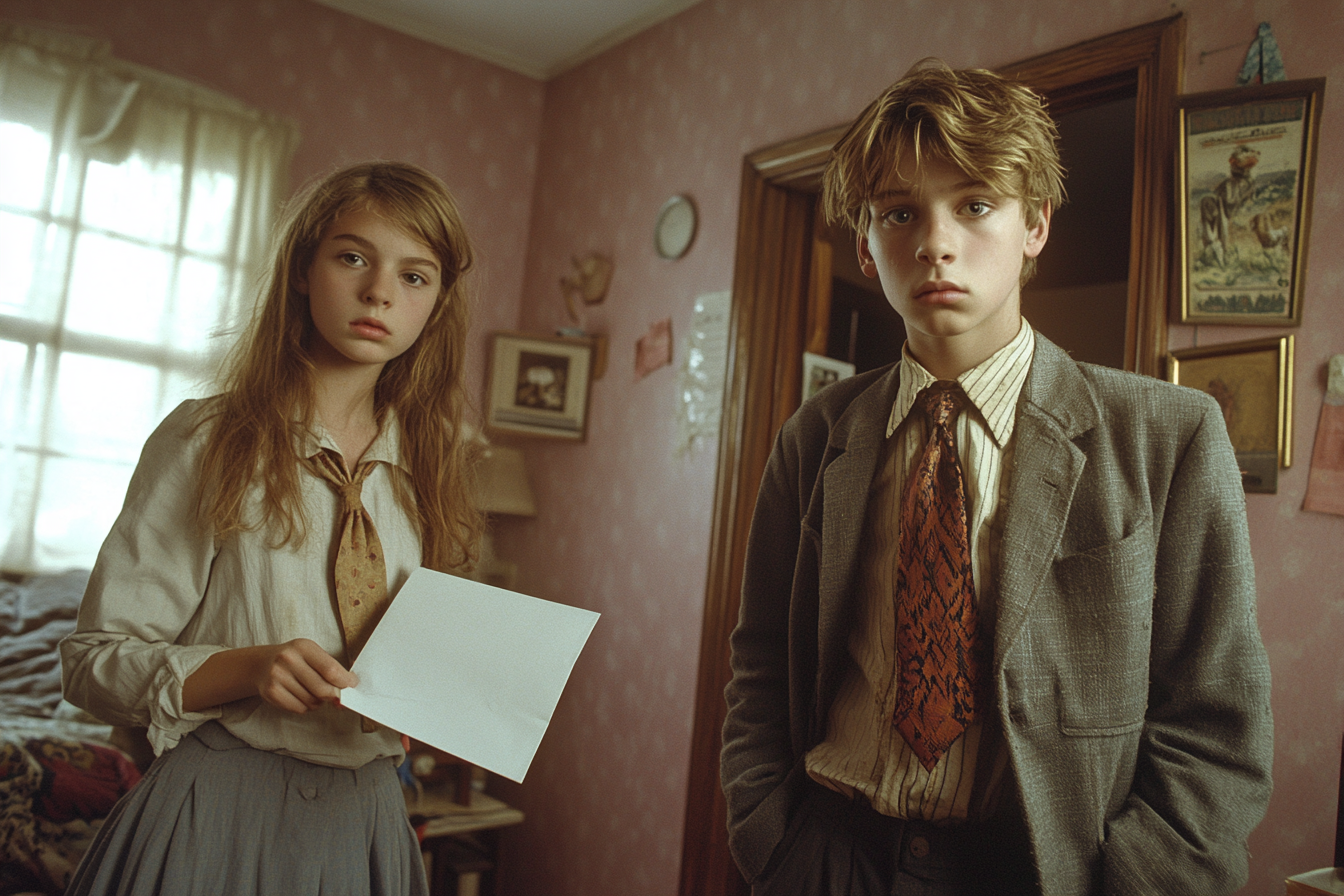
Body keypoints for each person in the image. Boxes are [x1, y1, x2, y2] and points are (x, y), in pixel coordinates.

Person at [720, 62, 1273, 896]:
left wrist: (1138, 881)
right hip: (830, 854)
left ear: (1036, 225)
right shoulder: (814, 439)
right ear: (866, 248)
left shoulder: (1167, 436)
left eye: (975, 204)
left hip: (1046, 871)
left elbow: (1216, 720)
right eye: (898, 214)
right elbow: (761, 661)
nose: (935, 242)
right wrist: (770, 836)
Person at [60, 161, 483, 896]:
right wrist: (246, 668)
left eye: (415, 276)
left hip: (367, 822)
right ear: (301, 268)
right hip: (213, 816)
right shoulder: (207, 440)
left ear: (437, 304)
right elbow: (91, 663)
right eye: (353, 257)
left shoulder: (435, 468)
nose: (380, 291)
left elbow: (420, 662)